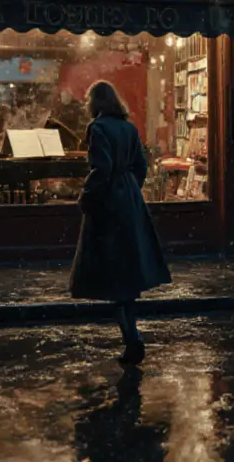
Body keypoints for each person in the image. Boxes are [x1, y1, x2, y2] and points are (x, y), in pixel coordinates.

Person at [70, 80, 172, 366]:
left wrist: (87, 198)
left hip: (109, 203)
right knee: (127, 269)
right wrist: (130, 188)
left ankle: (131, 338)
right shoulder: (129, 128)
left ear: (96, 102)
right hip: (129, 200)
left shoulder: (98, 128)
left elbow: (100, 169)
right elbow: (141, 165)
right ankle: (131, 335)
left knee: (112, 272)